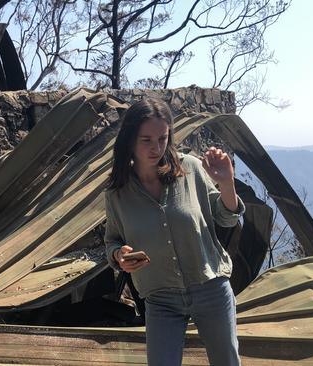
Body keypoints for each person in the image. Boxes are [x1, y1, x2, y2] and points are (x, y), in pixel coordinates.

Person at [103, 98, 245, 366]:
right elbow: (112, 242)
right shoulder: (117, 193)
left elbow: (226, 218)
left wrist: (227, 183)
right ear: (129, 140)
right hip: (160, 298)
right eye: (146, 140)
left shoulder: (189, 168)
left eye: (162, 138)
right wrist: (119, 256)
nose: (156, 148)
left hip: (210, 287)